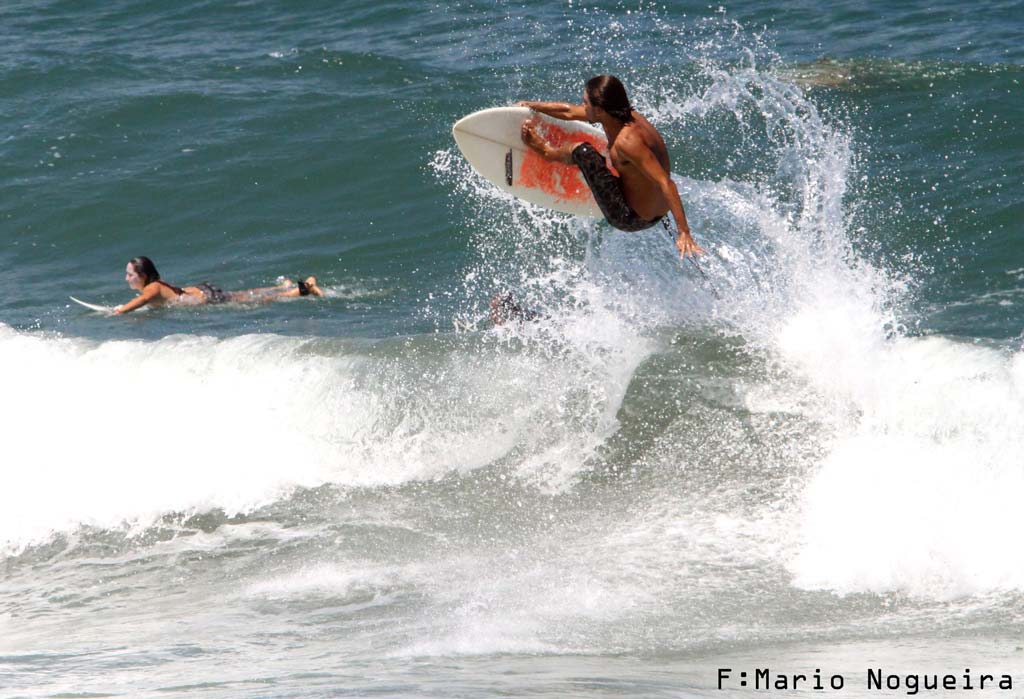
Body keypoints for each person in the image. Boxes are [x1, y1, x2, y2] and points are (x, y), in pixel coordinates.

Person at [519, 75, 703, 258]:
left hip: (631, 217)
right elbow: (569, 112)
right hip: (657, 211)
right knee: (618, 161)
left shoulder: (628, 142)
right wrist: (531, 105)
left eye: (586, 103)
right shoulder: (623, 116)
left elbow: (666, 183)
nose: (582, 106)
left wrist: (684, 232)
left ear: (599, 110)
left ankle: (547, 152)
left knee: (583, 151)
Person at [113, 256, 323, 314]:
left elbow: (142, 300)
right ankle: (282, 286)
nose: (126, 279)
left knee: (256, 300)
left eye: (129, 275)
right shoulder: (155, 284)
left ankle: (302, 290)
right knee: (246, 294)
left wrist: (120, 311)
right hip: (202, 291)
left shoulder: (150, 288)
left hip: (206, 298)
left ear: (142, 275)